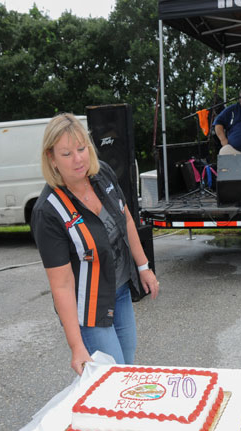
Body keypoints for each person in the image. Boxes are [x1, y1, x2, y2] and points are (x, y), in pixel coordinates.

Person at [31, 113, 159, 375]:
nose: (78, 159)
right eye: (67, 154)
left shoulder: (102, 173)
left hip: (121, 292)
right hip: (89, 308)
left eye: (81, 149)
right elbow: (62, 285)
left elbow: (126, 219)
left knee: (126, 367)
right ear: (51, 158)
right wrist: (76, 346)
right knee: (111, 377)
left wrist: (143, 266)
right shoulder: (48, 211)